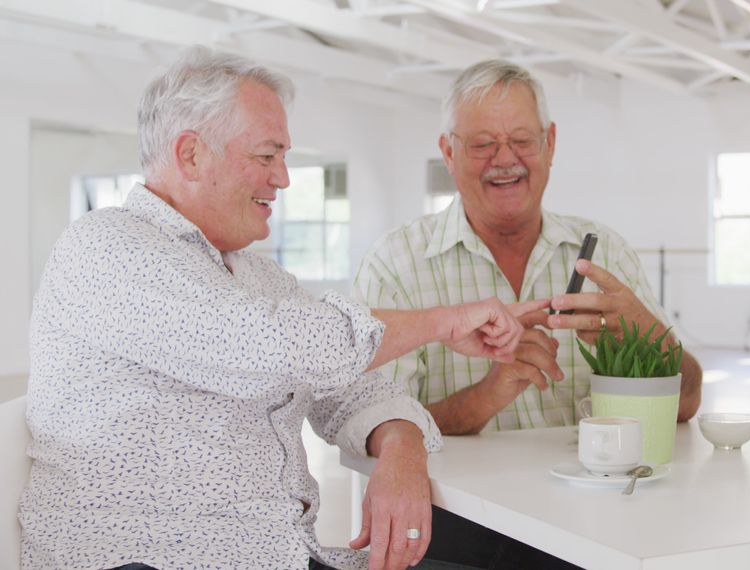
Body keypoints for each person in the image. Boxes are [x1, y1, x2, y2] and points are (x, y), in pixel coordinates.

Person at [19, 47, 545, 570]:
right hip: (151, 559)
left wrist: (402, 448)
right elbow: (266, 347)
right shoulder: (106, 247)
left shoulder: (256, 275)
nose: (284, 178)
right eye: (266, 156)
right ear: (191, 155)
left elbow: (349, 388)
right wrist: (441, 321)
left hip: (279, 556)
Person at [354, 59, 702, 568]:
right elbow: (374, 423)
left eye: (522, 140)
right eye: (482, 144)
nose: (505, 160)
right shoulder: (396, 265)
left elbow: (687, 401)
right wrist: (488, 394)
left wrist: (650, 335)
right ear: (448, 151)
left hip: (598, 521)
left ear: (550, 144)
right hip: (458, 527)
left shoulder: (606, 255)